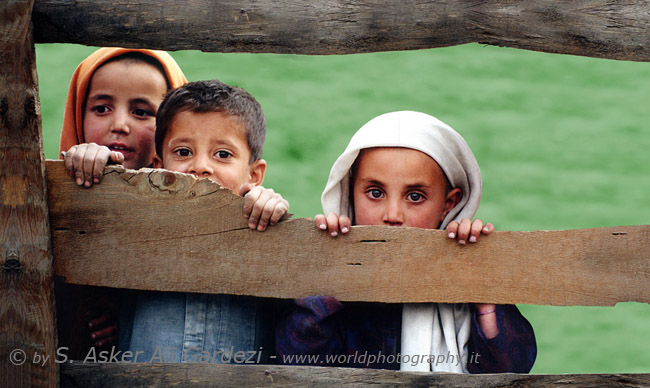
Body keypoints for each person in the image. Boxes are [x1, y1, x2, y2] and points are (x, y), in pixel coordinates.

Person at [276, 111, 536, 373]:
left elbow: (512, 369)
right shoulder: (332, 283)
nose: (392, 216)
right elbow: (298, 362)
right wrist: (328, 276)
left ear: (448, 204)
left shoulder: (465, 281)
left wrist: (481, 287)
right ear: (350, 192)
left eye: (414, 196)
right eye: (375, 193)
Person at [118, 79, 289, 363]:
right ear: (159, 167)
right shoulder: (138, 226)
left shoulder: (260, 225)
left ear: (254, 176)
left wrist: (270, 209)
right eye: (183, 152)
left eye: (223, 154)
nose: (200, 166)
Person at [55, 47, 188, 359]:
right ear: (78, 114)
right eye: (101, 108)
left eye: (141, 112)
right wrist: (82, 177)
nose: (120, 124)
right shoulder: (51, 192)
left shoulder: (194, 192)